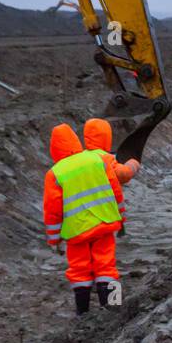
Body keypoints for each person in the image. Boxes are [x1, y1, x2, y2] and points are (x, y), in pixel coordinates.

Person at [42, 124, 123, 315]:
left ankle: (83, 313)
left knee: (79, 271)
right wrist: (121, 217)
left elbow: (52, 211)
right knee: (107, 266)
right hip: (104, 223)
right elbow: (115, 190)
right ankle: (115, 309)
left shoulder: (55, 173)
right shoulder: (96, 158)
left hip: (76, 232)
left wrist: (54, 240)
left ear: (53, 148)